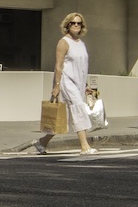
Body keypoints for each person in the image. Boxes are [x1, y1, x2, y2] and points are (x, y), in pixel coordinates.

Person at [35, 12, 94, 155]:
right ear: (67, 25)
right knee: (78, 107)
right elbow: (58, 66)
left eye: (78, 23)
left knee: (66, 116)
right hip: (66, 81)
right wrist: (56, 86)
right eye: (73, 23)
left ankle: (42, 142)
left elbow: (81, 66)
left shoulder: (81, 44)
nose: (76, 25)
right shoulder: (63, 42)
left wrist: (85, 85)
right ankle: (84, 146)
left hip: (78, 83)